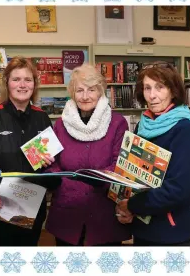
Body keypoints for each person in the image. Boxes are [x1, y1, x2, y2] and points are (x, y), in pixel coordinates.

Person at [115, 61, 190, 246]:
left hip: (170, 233)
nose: (152, 95)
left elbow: (177, 191)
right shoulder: (144, 124)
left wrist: (131, 205)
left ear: (173, 91)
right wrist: (125, 206)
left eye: (160, 87)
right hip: (142, 227)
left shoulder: (184, 128)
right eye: (147, 88)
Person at [0, 56, 55, 246]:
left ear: (34, 84)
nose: (22, 85)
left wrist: (49, 162)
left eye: (28, 79)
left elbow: (51, 162)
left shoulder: (42, 118)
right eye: (16, 79)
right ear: (7, 83)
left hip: (34, 206)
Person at [44, 64, 131, 246]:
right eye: (79, 90)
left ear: (100, 92)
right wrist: (60, 180)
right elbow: (52, 163)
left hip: (104, 213)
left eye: (91, 90)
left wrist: (94, 179)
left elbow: (120, 164)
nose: (85, 96)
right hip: (67, 212)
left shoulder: (117, 123)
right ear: (72, 93)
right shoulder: (60, 124)